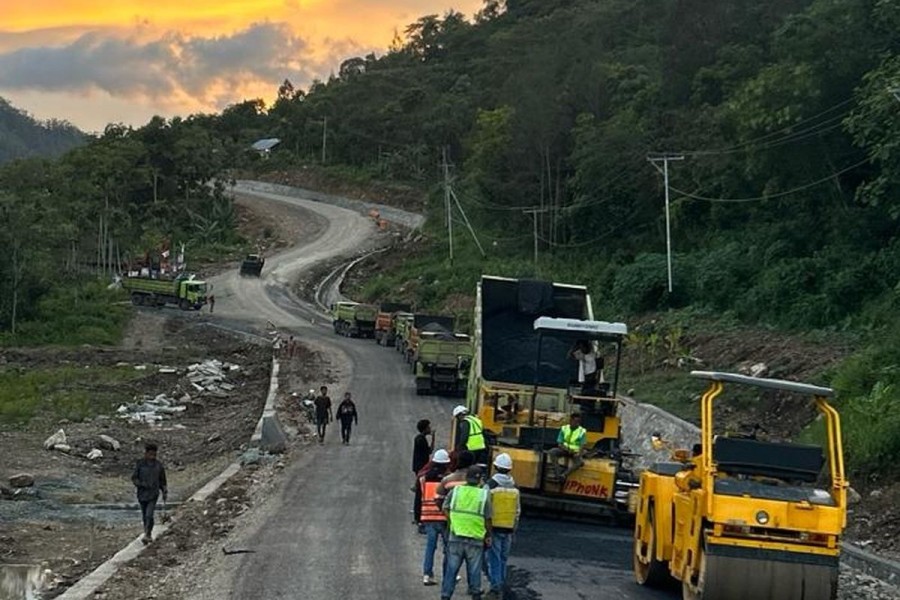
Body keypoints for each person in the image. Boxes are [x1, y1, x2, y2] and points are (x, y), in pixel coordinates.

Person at [442, 466, 493, 600]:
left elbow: (445, 507)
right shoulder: (483, 495)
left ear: (466, 477)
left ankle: (446, 595)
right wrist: (488, 535)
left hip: (456, 536)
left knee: (451, 569)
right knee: (474, 570)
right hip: (475, 538)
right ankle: (475, 594)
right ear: (480, 480)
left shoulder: (456, 491)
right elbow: (488, 518)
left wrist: (452, 522)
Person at [485, 453, 521, 599]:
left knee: (494, 559)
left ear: (495, 467)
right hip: (509, 528)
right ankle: (501, 584)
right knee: (503, 559)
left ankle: (496, 588)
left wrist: (486, 531)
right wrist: (514, 528)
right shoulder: (515, 487)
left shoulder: (490, 485)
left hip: (494, 528)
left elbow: (486, 508)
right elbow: (517, 511)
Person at [420, 448, 452, 586]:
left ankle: (427, 574)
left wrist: (419, 519)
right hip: (444, 518)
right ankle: (449, 574)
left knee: (430, 547)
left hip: (428, 517)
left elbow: (419, 499)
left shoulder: (423, 479)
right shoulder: (448, 480)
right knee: (448, 547)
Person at [131, 442, 168, 544]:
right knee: (144, 515)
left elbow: (163, 480)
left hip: (153, 494)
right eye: (150, 454)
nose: (152, 457)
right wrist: (141, 484)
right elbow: (134, 478)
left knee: (149, 515)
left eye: (154, 455)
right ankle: (147, 532)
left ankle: (147, 534)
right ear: (146, 454)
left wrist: (164, 491)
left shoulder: (158, 465)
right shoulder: (140, 464)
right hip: (142, 494)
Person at [548, 413, 587, 481]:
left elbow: (582, 444)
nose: (577, 424)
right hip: (564, 450)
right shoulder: (564, 429)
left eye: (578, 422)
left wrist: (579, 453)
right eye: (575, 421)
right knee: (552, 452)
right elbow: (560, 443)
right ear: (571, 421)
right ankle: (558, 473)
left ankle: (564, 475)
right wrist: (567, 449)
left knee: (579, 462)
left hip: (575, 452)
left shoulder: (581, 431)